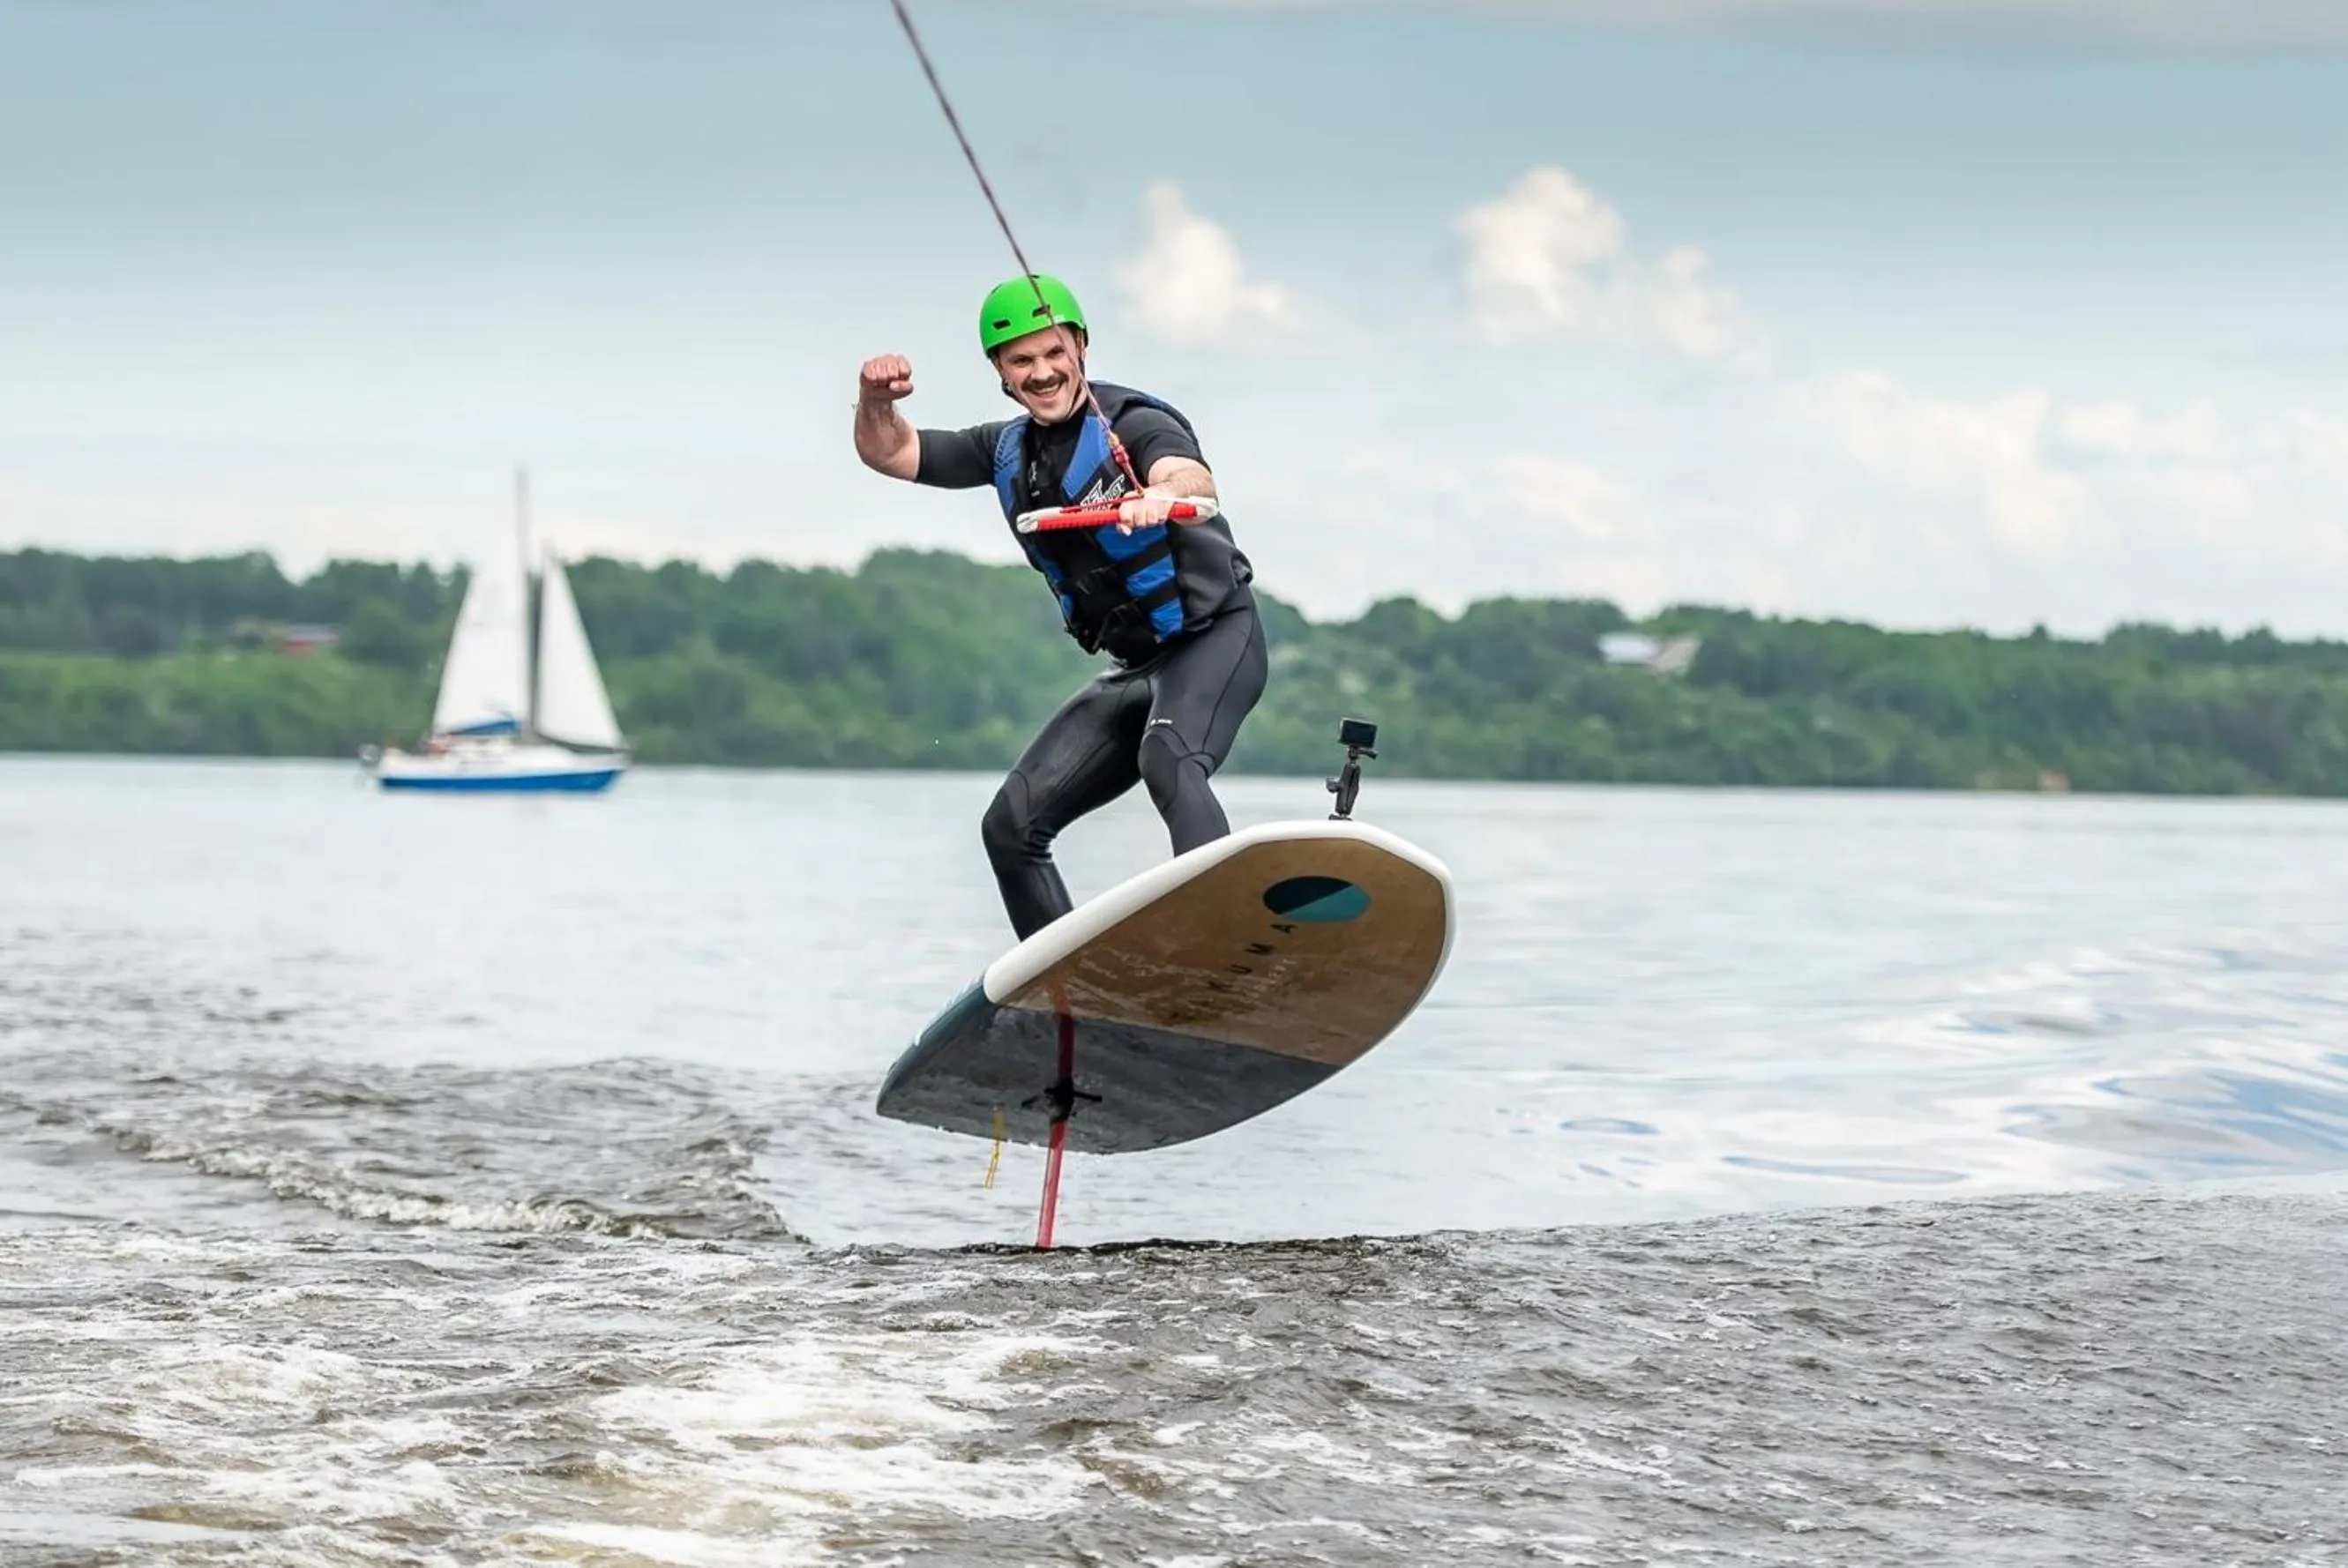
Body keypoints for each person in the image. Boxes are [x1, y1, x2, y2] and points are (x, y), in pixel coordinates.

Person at [853, 273, 1267, 940]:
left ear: (1081, 347)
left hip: (1214, 640)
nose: (1043, 372)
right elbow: (893, 450)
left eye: (1055, 352)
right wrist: (875, 400)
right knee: (1010, 826)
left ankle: (1222, 937)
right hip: (1133, 668)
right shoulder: (1004, 451)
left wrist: (1162, 495)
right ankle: (1063, 988)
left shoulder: (1133, 421)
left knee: (1168, 759)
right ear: (1001, 372)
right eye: (1022, 360)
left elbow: (1187, 473)